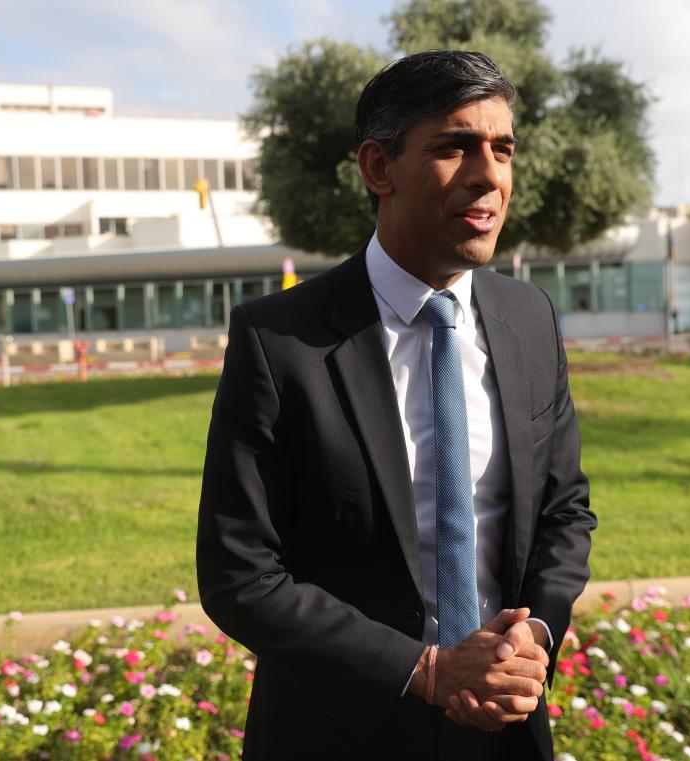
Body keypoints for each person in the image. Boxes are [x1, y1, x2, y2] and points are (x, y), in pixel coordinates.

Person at [196, 50, 595, 760]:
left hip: (506, 731)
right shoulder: (278, 340)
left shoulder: (530, 317)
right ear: (378, 169)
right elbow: (240, 572)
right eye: (453, 146)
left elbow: (564, 513)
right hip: (337, 730)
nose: (489, 174)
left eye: (503, 149)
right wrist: (427, 671)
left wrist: (531, 639)